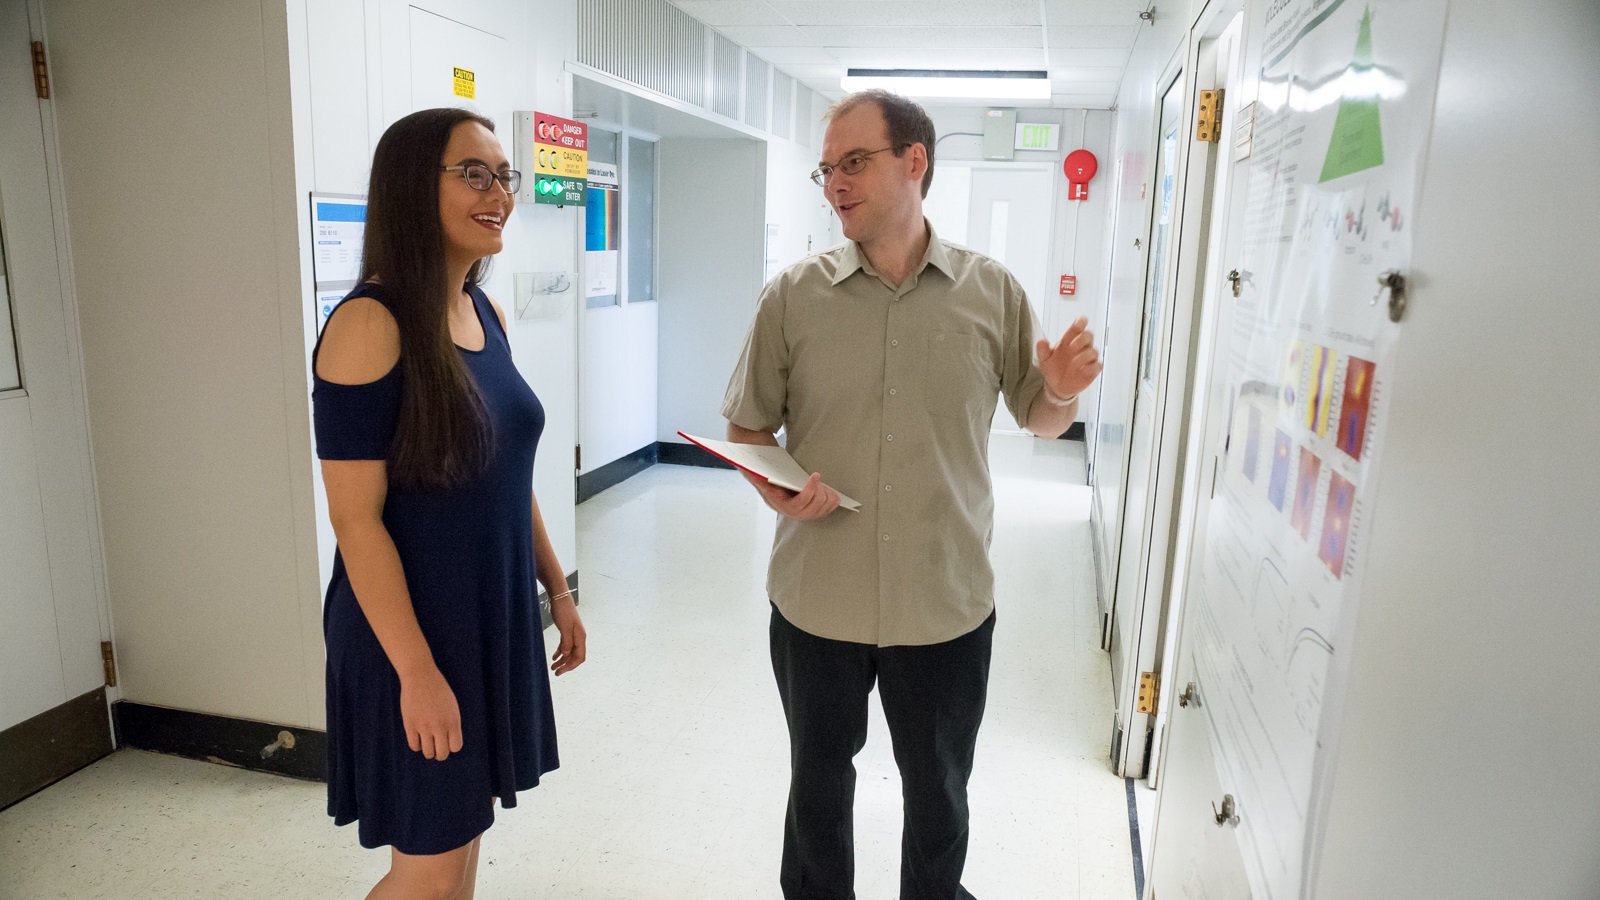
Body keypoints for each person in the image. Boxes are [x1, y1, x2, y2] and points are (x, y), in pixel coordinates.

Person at [721, 89, 1103, 900]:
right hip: (817, 601)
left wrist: (1063, 391)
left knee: (938, 800)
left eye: (853, 162)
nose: (834, 184)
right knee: (817, 793)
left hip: (945, 602)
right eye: (827, 169)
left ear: (914, 162)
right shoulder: (792, 296)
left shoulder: (990, 291)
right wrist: (775, 494)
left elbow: (1037, 414)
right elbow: (749, 432)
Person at [312, 107, 586, 899]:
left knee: (460, 849)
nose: (498, 192)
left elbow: (506, 476)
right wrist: (416, 672)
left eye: (505, 175)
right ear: (409, 186)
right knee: (427, 872)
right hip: (409, 632)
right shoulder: (370, 323)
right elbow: (355, 520)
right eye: (474, 173)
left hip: (485, 617)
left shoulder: (483, 312)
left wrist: (557, 589)